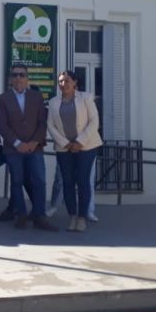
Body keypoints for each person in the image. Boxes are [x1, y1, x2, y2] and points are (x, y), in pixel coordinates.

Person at [0, 64, 58, 231]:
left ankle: (39, 216)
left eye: (21, 75)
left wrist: (33, 142)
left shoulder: (36, 97)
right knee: (17, 181)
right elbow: (2, 124)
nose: (18, 78)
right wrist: (18, 143)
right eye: (15, 75)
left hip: (34, 147)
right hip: (13, 149)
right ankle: (21, 215)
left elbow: (42, 122)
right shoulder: (3, 98)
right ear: (10, 78)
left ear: (27, 78)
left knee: (39, 181)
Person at [47, 70, 103, 232]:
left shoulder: (85, 98)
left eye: (66, 81)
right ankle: (72, 216)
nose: (63, 84)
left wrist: (79, 141)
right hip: (64, 149)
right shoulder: (53, 102)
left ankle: (82, 217)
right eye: (61, 81)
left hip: (87, 146)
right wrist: (66, 143)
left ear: (75, 82)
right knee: (67, 182)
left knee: (83, 181)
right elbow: (51, 125)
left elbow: (94, 121)